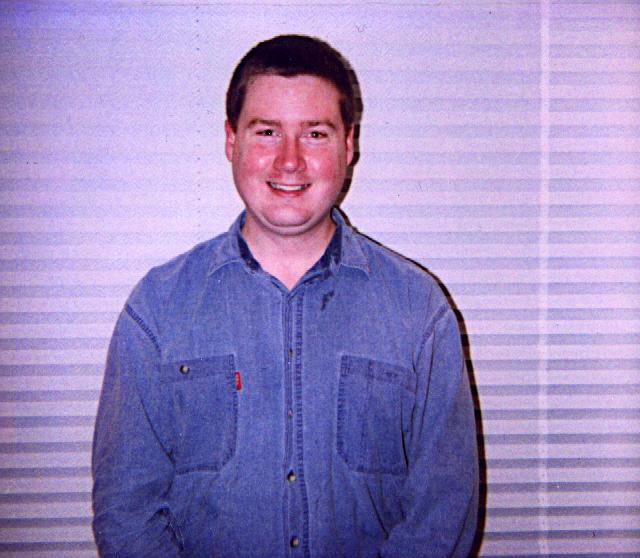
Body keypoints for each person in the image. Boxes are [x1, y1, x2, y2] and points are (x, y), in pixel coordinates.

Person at [92, 34, 478, 557]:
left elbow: (443, 511)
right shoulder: (158, 310)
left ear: (348, 145)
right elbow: (126, 511)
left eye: (315, 134)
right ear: (231, 140)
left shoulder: (419, 310)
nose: (289, 160)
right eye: (267, 132)